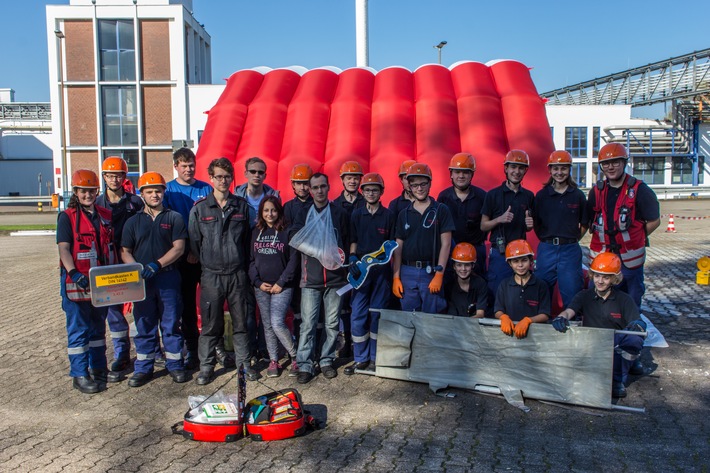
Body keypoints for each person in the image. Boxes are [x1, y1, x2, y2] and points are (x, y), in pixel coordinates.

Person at [188, 158, 256, 385]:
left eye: (227, 176)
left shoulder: (242, 207)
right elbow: (195, 243)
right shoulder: (200, 209)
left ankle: (244, 365)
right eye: (218, 176)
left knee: (241, 322)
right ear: (211, 178)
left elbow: (248, 242)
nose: (223, 180)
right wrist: (209, 263)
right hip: (211, 275)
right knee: (210, 324)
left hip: (237, 275)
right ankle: (206, 367)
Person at [121, 172, 187, 387]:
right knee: (144, 324)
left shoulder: (174, 217)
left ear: (164, 192)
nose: (154, 195)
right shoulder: (133, 222)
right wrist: (136, 269)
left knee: (171, 323)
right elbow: (125, 250)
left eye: (158, 190)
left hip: (168, 278)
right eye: (149, 191)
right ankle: (144, 367)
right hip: (143, 282)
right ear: (141, 194)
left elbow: (179, 248)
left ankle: (175, 365)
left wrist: (157, 264)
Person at [551, 252, 647, 398]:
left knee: (634, 339)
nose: (600, 281)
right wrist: (560, 318)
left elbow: (638, 322)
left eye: (606, 277)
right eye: (597, 276)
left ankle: (617, 380)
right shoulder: (584, 296)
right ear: (592, 276)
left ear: (615, 279)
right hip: (593, 343)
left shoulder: (624, 299)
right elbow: (569, 311)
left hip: (615, 344)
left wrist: (638, 325)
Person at [57, 170, 115, 394]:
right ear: (76, 192)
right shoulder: (67, 216)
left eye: (91, 191)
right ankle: (79, 374)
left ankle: (99, 368)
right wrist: (73, 272)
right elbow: (64, 248)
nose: (88, 195)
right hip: (77, 281)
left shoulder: (104, 215)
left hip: (100, 280)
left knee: (98, 328)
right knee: (79, 329)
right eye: (83, 191)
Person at [291, 173, 350, 384]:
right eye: (315, 187)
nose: (319, 191)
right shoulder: (303, 212)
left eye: (322, 186)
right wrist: (319, 250)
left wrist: (347, 263)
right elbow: (296, 239)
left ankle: (326, 361)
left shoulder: (339, 213)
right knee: (307, 324)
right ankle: (305, 365)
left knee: (332, 324)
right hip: (311, 279)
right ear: (310, 189)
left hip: (335, 279)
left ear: (328, 187)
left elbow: (348, 240)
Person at [587, 143, 660, 310]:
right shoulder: (596, 192)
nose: (610, 167)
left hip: (629, 259)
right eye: (606, 163)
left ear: (624, 163)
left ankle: (631, 332)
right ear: (601, 167)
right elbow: (590, 222)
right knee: (597, 300)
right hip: (603, 255)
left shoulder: (640, 190)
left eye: (615, 162)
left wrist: (637, 237)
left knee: (631, 300)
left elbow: (654, 220)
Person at [95, 156, 144, 381]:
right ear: (104, 177)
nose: (115, 179)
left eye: (119, 175)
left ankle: (149, 351)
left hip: (132, 262)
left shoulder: (136, 203)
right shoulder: (96, 204)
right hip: (108, 264)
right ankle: (122, 351)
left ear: (125, 177)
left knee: (143, 308)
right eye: (110, 175)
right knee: (113, 311)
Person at [163, 148, 212, 370]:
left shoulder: (205, 188)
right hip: (181, 258)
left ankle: (214, 345)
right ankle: (192, 348)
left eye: (191, 165)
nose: (188, 169)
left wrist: (198, 249)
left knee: (211, 303)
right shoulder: (168, 192)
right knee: (187, 306)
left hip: (205, 257)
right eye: (183, 165)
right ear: (176, 166)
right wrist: (187, 249)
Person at [344, 173, 396, 375]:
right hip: (361, 273)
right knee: (358, 314)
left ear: (381, 192)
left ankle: (375, 358)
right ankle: (360, 358)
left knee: (376, 315)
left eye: (375, 189)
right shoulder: (356, 215)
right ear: (362, 192)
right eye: (367, 190)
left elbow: (393, 243)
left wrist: (383, 260)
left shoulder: (389, 215)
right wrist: (353, 259)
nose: (371, 193)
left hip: (382, 273)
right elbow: (353, 240)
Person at [392, 163, 455, 314]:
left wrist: (439, 274)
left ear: (430, 184)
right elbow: (398, 247)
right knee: (409, 318)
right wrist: (396, 277)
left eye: (423, 184)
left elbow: (446, 244)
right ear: (410, 187)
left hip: (431, 271)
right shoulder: (403, 214)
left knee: (432, 319)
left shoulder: (441, 210)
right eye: (414, 185)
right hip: (408, 272)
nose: (419, 188)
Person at [235, 156, 279, 363]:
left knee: (268, 312)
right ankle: (250, 350)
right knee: (248, 310)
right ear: (245, 173)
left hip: (265, 258)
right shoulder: (236, 196)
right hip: (242, 257)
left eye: (260, 172)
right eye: (253, 171)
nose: (256, 175)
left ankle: (265, 350)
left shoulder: (273, 196)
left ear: (265, 175)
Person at [249, 196, 299, 378]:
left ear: (279, 211)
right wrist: (257, 282)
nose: (270, 214)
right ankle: (273, 359)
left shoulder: (288, 231)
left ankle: (295, 356)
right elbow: (251, 260)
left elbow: (294, 261)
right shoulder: (255, 231)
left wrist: (281, 283)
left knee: (277, 322)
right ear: (261, 212)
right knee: (267, 324)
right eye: (266, 210)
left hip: (282, 286)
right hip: (261, 287)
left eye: (273, 210)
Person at [533, 150, 588, 308]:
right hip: (546, 249)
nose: (559, 172)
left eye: (563, 168)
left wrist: (572, 239)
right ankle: (542, 323)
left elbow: (584, 224)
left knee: (572, 290)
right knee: (541, 289)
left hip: (570, 249)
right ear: (550, 170)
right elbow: (536, 223)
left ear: (569, 170)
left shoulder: (577, 196)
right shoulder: (542, 196)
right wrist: (547, 239)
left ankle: (572, 324)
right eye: (556, 168)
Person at [480, 150, 535, 298]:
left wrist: (530, 225)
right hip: (500, 252)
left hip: (521, 255)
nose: (516, 171)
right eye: (513, 167)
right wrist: (499, 219)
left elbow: (529, 226)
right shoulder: (493, 195)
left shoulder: (528, 196)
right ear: (506, 168)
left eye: (521, 168)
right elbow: (483, 226)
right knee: (496, 292)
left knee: (520, 294)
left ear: (525, 170)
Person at [437, 153, 488, 277]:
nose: (461, 176)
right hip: (450, 251)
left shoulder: (482, 196)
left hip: (476, 251)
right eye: (457, 172)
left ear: (472, 174)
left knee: (479, 285)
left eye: (465, 172)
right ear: (451, 174)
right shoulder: (443, 197)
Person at [283, 163, 314, 344]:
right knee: (296, 306)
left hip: (313, 262)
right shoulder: (287, 207)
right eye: (298, 183)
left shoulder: (318, 204)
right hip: (294, 262)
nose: (302, 187)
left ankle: (314, 344)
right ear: (292, 185)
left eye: (305, 183)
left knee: (314, 309)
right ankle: (298, 341)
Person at [494, 240, 550, 339]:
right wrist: (503, 317)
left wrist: (528, 320)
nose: (520, 265)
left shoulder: (541, 285)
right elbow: (498, 310)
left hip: (535, 338)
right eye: (515, 261)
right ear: (510, 263)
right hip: (508, 337)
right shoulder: (504, 285)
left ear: (531, 261)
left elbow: (545, 314)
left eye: (524, 260)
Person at [444, 243, 487, 318]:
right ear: (454, 266)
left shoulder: (481, 284)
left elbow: (480, 314)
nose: (463, 269)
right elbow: (451, 316)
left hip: (474, 326)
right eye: (459, 265)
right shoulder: (449, 286)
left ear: (473, 265)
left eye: (467, 265)